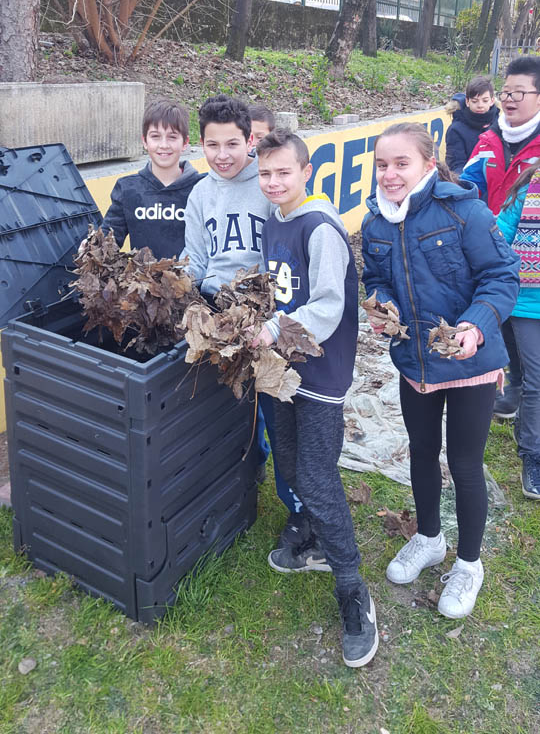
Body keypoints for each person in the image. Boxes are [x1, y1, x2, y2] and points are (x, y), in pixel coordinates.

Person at [362, 122, 519, 619]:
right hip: (416, 365)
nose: (389, 174)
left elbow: (502, 276)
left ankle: (469, 564)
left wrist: (474, 326)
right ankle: (429, 538)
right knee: (423, 452)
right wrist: (380, 306)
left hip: (470, 362)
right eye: (382, 165)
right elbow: (376, 278)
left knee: (465, 462)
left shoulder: (464, 211)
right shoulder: (374, 224)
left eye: (401, 163)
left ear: (429, 164)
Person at [251, 130, 378, 669]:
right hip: (283, 370)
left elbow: (326, 305)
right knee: (290, 461)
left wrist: (276, 327)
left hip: (319, 375)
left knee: (319, 479)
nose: (273, 182)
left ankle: (353, 591)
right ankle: (312, 540)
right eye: (265, 174)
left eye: (284, 172)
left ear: (307, 172)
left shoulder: (321, 228)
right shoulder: (275, 221)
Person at [181, 94, 305, 541]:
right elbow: (194, 258)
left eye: (232, 144)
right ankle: (242, 480)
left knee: (277, 411)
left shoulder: (269, 183)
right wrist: (178, 289)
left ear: (250, 139)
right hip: (218, 313)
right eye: (212, 145)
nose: (222, 155)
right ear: (201, 144)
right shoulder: (200, 192)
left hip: (265, 313)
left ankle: (299, 509)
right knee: (227, 407)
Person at [462, 56, 540, 419]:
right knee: (503, 318)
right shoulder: (487, 140)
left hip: (532, 258)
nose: (508, 99)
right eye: (505, 91)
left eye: (519, 92)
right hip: (491, 249)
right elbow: (466, 189)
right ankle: (516, 385)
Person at [101, 99, 204, 258]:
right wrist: (92, 247)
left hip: (191, 280)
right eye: (155, 136)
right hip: (141, 281)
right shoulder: (127, 188)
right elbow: (109, 239)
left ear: (185, 143)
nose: (163, 145)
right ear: (145, 142)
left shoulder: (202, 187)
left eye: (172, 137)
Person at [497, 160, 540, 499]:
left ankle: (515, 400)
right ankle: (532, 456)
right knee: (535, 379)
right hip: (526, 301)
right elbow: (498, 239)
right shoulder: (527, 191)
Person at [445, 76, 498, 175]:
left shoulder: (500, 123)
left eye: (485, 100)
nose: (480, 105)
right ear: (467, 102)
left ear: (492, 101)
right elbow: (456, 165)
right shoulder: (456, 130)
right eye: (475, 101)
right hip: (469, 179)